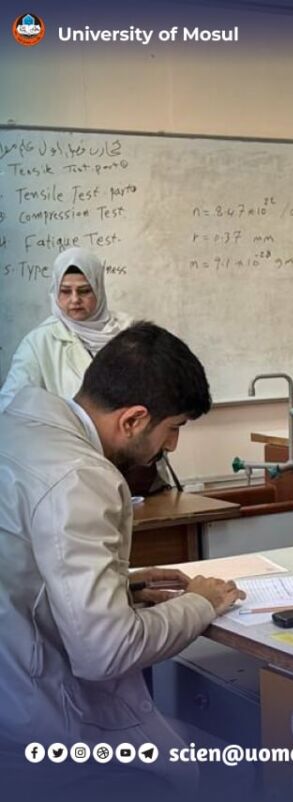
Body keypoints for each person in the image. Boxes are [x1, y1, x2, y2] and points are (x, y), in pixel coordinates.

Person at [0, 322, 245, 789]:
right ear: (132, 420)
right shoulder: (81, 477)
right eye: (173, 429)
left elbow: (24, 573)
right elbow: (106, 651)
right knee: (236, 763)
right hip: (44, 737)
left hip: (10, 711)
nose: (172, 446)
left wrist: (123, 585)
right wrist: (201, 602)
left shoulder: (16, 431)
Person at [0, 247, 130, 411]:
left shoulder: (128, 331)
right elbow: (9, 406)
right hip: (63, 428)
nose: (75, 299)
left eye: (84, 291)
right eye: (65, 291)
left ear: (98, 289)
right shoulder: (39, 342)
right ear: (55, 292)